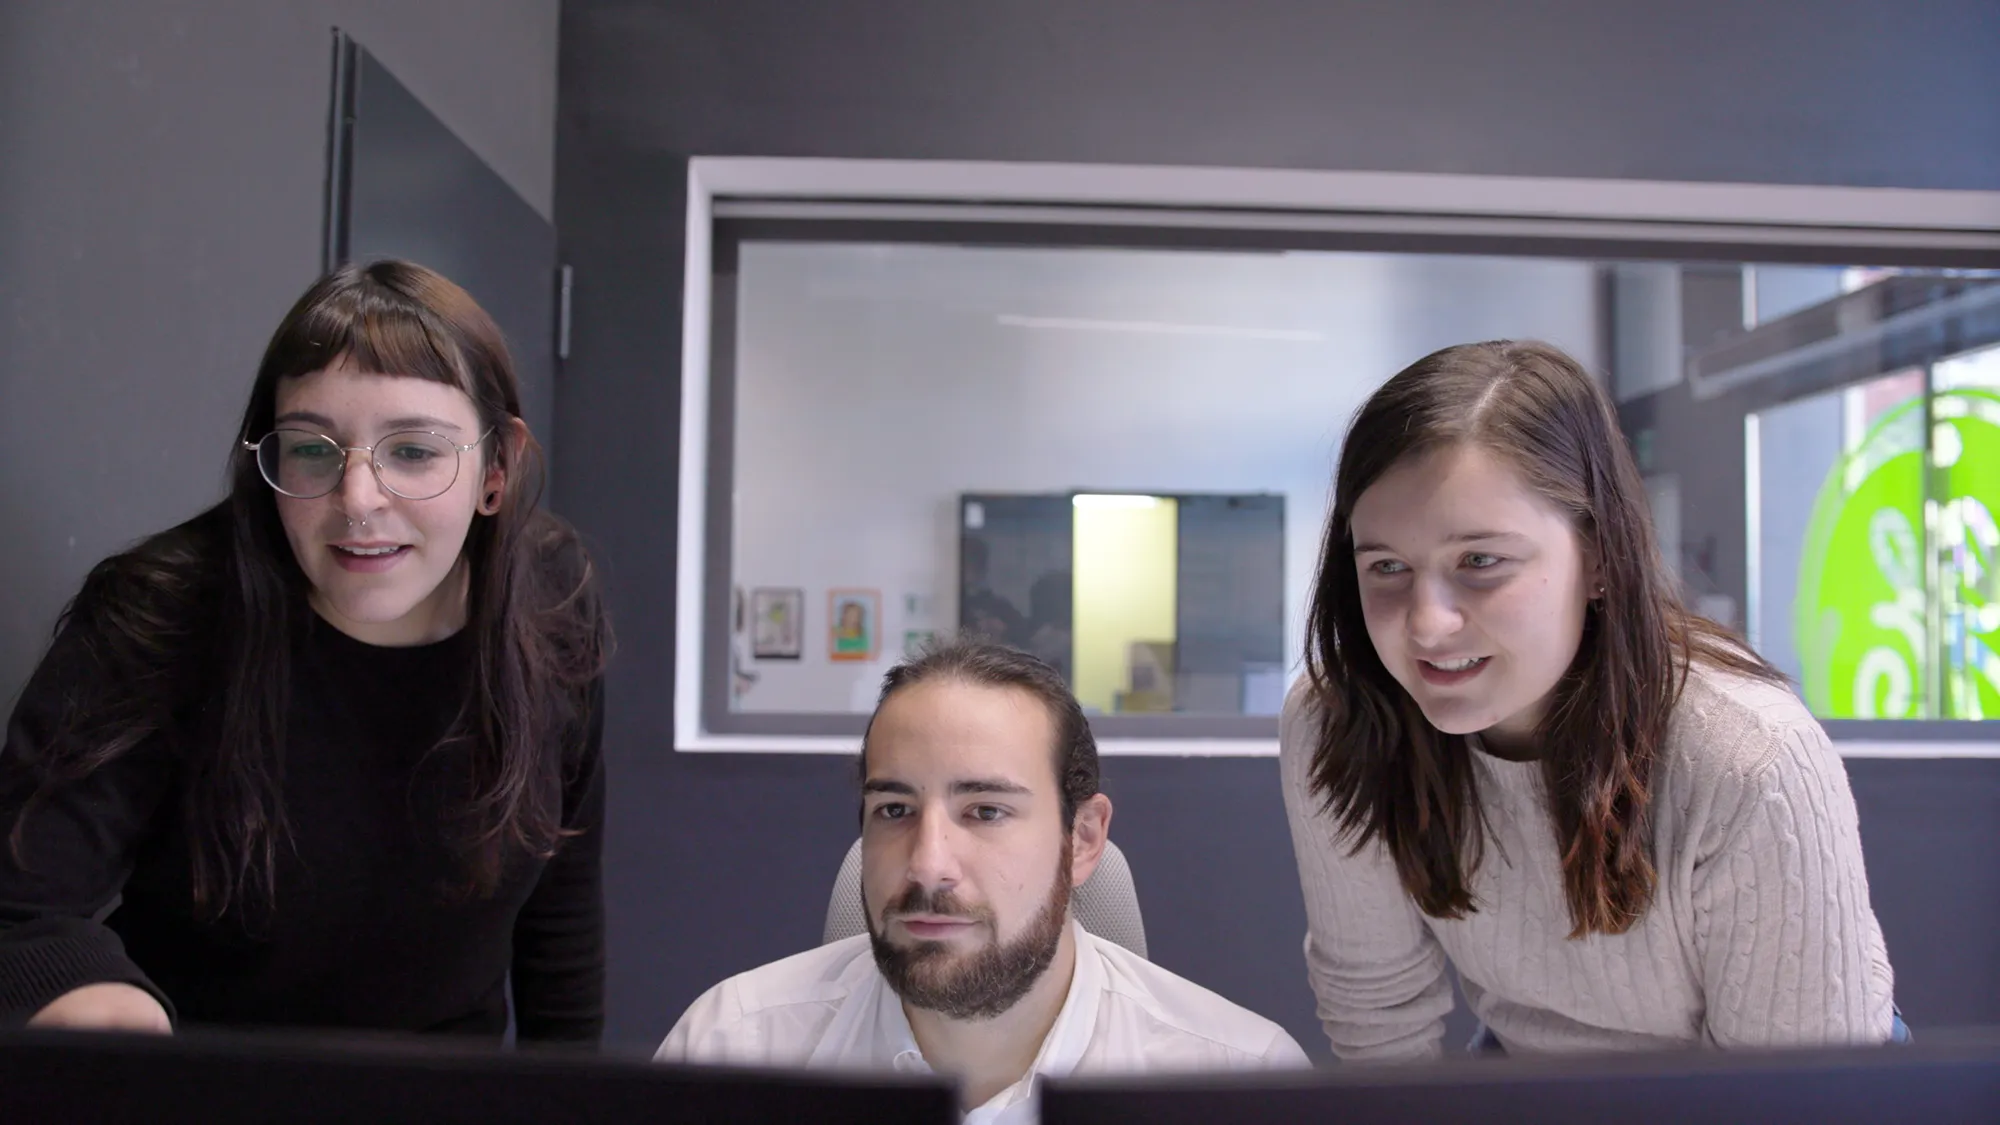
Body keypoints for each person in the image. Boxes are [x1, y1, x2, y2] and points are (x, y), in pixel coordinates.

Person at [0, 260, 611, 1046]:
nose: (358, 500)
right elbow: (19, 904)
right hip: (200, 1083)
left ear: (496, 469)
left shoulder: (554, 600)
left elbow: (562, 903)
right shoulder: (160, 615)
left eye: (415, 451)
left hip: (446, 1089)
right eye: (313, 451)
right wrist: (100, 1006)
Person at [1280, 339, 1898, 1062]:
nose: (1427, 622)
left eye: (1480, 561)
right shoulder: (1341, 719)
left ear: (1599, 557)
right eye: (1387, 566)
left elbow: (1799, 1098)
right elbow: (1377, 1015)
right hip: (1526, 1074)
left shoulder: (1748, 758)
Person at [659, 637, 1306, 1122]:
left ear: (1082, 839)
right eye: (895, 809)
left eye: (986, 810)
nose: (928, 862)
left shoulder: (1239, 1084)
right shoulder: (730, 1053)